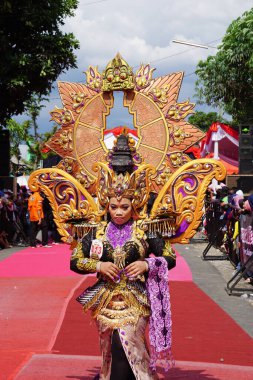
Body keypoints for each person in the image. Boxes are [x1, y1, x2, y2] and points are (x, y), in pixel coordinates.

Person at [70, 133, 176, 380]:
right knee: (109, 349)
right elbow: (75, 261)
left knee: (128, 346)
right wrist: (98, 264)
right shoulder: (96, 230)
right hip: (105, 300)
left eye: (125, 207)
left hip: (136, 300)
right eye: (113, 207)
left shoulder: (147, 229)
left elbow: (169, 258)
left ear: (135, 205)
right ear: (106, 204)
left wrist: (146, 263)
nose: (118, 212)